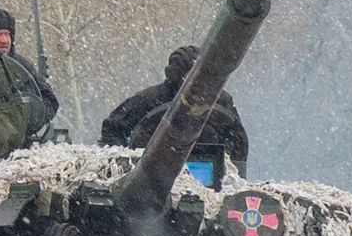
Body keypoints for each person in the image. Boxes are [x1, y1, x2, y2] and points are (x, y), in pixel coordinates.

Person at [100, 45, 249, 169]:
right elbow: (112, 128)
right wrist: (129, 162)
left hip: (207, 162)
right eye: (188, 77)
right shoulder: (150, 99)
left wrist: (227, 166)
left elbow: (238, 142)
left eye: (200, 78)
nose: (195, 85)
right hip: (153, 167)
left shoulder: (221, 101)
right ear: (175, 76)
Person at [0, 6, 59, 156]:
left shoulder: (21, 67)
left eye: (7, 34)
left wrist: (19, 118)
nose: (4, 40)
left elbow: (48, 101)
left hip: (18, 150)